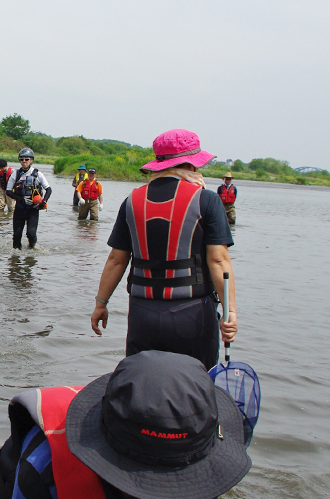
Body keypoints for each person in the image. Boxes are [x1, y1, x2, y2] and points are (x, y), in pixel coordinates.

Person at [0, 350, 252, 499]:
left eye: (173, 474)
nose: (162, 492)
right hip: (14, 496)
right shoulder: (43, 472)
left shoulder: (205, 477)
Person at [90, 129, 237, 369]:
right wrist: (230, 313)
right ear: (190, 164)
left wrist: (100, 304)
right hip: (193, 315)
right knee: (196, 388)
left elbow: (116, 260)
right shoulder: (207, 200)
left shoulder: (132, 201)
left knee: (142, 386)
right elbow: (219, 261)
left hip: (142, 314)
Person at [5, 148, 52, 249]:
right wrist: (21, 199)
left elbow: (49, 189)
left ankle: (32, 248)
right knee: (16, 235)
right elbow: (8, 191)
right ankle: (15, 260)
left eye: (26, 159)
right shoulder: (15, 174)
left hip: (33, 210)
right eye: (21, 159)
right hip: (19, 209)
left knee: (31, 234)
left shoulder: (38, 174)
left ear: (31, 160)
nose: (24, 161)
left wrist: (43, 202)